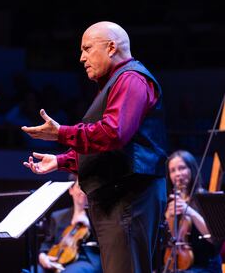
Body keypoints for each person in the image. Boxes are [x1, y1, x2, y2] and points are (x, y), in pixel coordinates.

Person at [22, 21, 167, 273]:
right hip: (119, 196)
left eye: (87, 48)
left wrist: (61, 133)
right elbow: (110, 148)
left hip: (128, 196)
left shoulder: (131, 79)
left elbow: (113, 133)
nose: (82, 58)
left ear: (111, 47)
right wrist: (61, 161)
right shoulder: (117, 81)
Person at [163, 150, 222, 272]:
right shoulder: (169, 203)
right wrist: (167, 218)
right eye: (172, 170)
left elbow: (214, 238)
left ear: (192, 169)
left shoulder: (204, 199)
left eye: (182, 168)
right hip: (178, 262)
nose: (177, 174)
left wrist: (189, 211)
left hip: (206, 264)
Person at [38, 179, 102, 273]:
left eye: (86, 188)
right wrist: (42, 256)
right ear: (71, 190)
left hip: (86, 259)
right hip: (58, 257)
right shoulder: (57, 216)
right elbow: (48, 243)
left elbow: (107, 242)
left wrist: (89, 225)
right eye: (79, 187)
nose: (82, 191)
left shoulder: (99, 216)